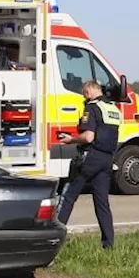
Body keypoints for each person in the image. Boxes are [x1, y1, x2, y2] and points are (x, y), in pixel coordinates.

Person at [55, 80, 122, 250]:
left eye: (85, 93)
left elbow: (88, 137)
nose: (84, 97)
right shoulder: (113, 109)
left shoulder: (92, 107)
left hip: (90, 157)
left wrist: (71, 139)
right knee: (102, 203)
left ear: (90, 90)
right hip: (107, 159)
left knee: (68, 196)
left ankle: (53, 241)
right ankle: (109, 244)